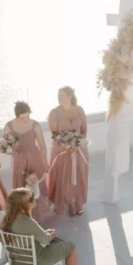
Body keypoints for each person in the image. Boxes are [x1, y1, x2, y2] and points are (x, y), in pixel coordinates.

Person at [4, 101, 50, 222]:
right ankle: (22, 216)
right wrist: (12, 149)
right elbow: (5, 146)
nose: (25, 119)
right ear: (16, 115)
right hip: (18, 159)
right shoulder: (9, 126)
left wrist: (45, 161)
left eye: (28, 116)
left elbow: (42, 144)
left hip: (35, 157)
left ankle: (36, 215)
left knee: (36, 184)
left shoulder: (35, 124)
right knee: (20, 185)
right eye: (22, 117)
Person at [47, 86, 89, 217]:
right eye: (58, 96)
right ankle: (66, 204)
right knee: (64, 177)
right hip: (61, 149)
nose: (59, 98)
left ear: (70, 96)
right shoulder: (54, 112)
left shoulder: (80, 110)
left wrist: (77, 143)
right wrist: (67, 146)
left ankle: (78, 204)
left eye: (62, 95)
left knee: (79, 176)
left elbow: (84, 130)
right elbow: (54, 133)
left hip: (79, 149)